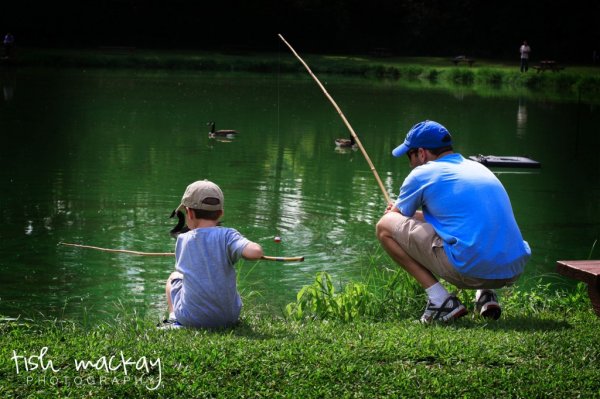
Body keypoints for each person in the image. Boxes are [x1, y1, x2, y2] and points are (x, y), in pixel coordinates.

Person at [376, 120, 531, 323]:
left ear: (421, 153)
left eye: (409, 155)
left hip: (471, 271)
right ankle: (486, 295)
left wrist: (394, 213)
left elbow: (394, 217)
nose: (410, 163)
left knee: (384, 226)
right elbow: (453, 220)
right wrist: (410, 214)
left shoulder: (422, 173)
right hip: (511, 270)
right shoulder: (478, 168)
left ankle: (440, 301)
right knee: (471, 225)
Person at [164, 179, 263, 328]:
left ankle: (173, 318)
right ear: (221, 213)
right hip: (229, 318)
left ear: (189, 213)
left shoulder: (183, 239)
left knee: (174, 277)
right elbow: (255, 252)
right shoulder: (228, 235)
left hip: (192, 319)